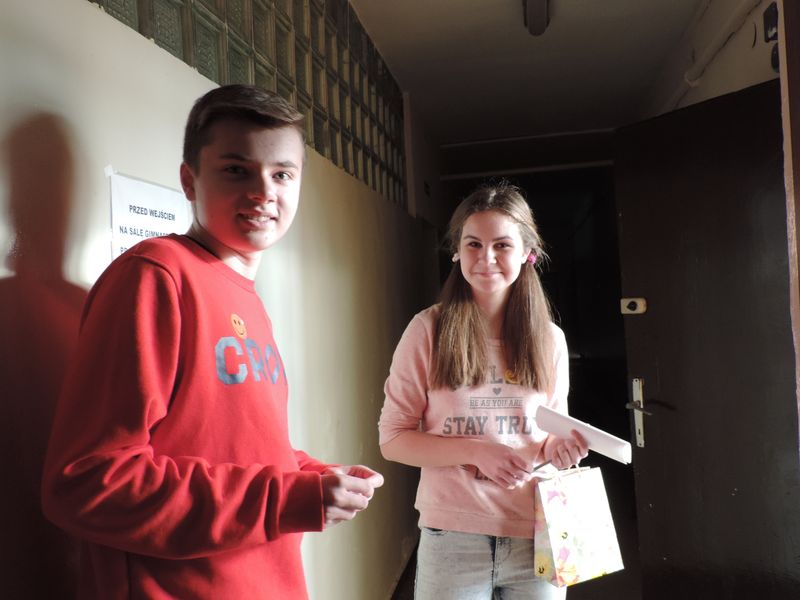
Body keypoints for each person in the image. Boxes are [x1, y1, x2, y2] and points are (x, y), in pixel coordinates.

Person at [42, 84, 384, 599]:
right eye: (237, 170)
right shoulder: (155, 276)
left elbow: (235, 448)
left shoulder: (247, 297)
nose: (264, 192)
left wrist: (312, 476)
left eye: (282, 174)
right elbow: (88, 481)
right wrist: (284, 498)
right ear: (189, 180)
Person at [378, 183, 588, 599]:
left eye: (502, 245)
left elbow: (548, 436)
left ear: (527, 253)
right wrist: (476, 451)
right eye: (473, 244)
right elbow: (393, 440)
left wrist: (561, 450)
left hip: (538, 529)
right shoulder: (427, 330)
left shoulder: (550, 339)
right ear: (457, 251)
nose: (486, 258)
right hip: (452, 535)